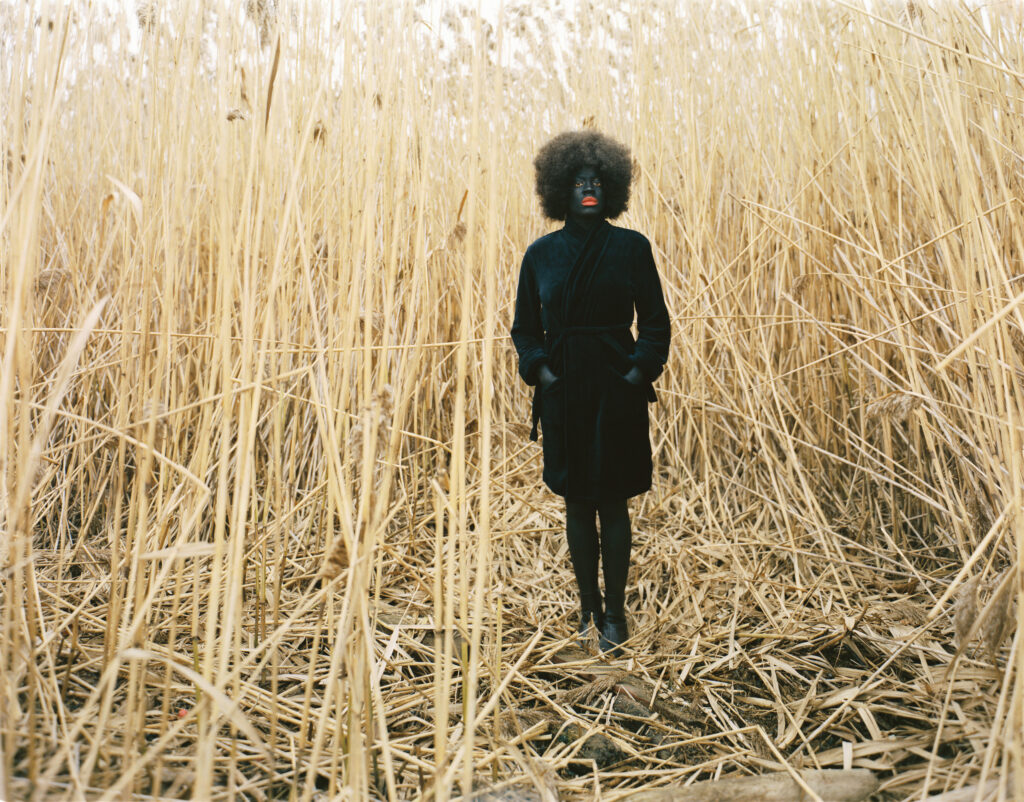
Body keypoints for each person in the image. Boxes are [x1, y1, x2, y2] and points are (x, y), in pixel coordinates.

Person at [510, 130, 671, 656]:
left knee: (614, 501)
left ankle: (617, 615)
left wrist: (636, 373)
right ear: (559, 188)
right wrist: (542, 375)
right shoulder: (540, 255)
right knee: (577, 502)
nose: (588, 189)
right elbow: (525, 330)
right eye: (577, 181)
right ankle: (587, 608)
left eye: (597, 181)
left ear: (612, 188)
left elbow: (655, 323)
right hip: (564, 389)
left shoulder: (631, 248)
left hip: (616, 387)